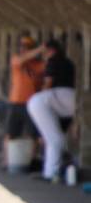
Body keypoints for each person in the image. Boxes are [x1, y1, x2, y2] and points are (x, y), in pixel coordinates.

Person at [26, 39, 77, 183]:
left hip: (48, 99)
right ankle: (53, 171)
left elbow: (48, 83)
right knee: (57, 138)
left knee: (54, 139)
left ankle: (51, 172)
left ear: (50, 50)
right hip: (69, 96)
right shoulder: (69, 63)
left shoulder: (52, 62)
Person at [4, 34, 45, 166]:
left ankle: (31, 160)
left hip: (31, 103)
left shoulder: (38, 65)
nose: (23, 49)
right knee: (10, 133)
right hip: (16, 101)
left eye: (27, 47)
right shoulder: (16, 60)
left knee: (34, 134)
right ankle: (6, 160)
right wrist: (40, 49)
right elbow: (21, 60)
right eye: (22, 46)